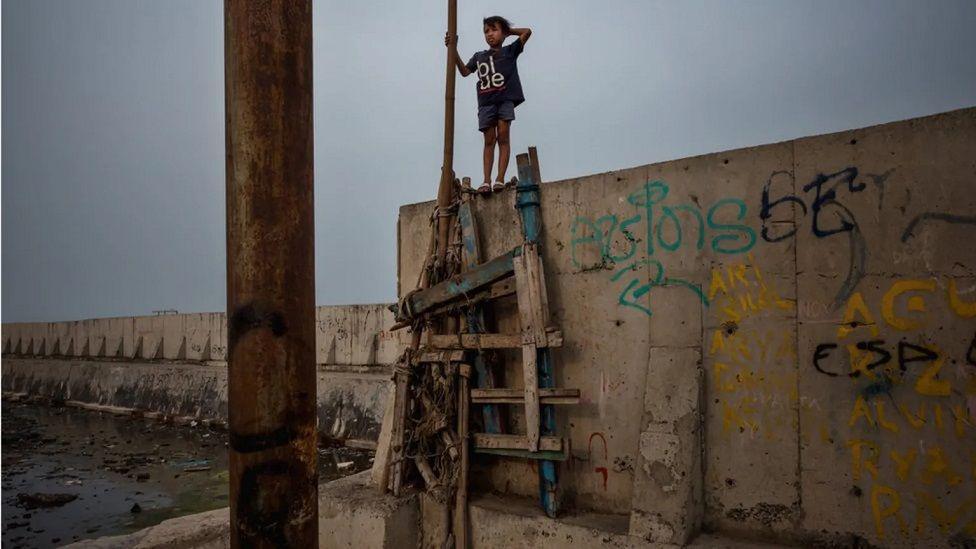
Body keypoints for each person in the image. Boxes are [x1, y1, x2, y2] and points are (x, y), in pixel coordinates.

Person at [446, 16, 532, 193]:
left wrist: (509, 32)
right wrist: (452, 49)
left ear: (503, 33)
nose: (490, 34)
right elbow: (464, 71)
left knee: (503, 136)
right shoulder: (479, 56)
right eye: (486, 31)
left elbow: (527, 32)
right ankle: (486, 180)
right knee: (489, 140)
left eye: (494, 30)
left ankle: (499, 178)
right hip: (486, 102)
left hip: (505, 99)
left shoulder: (510, 51)